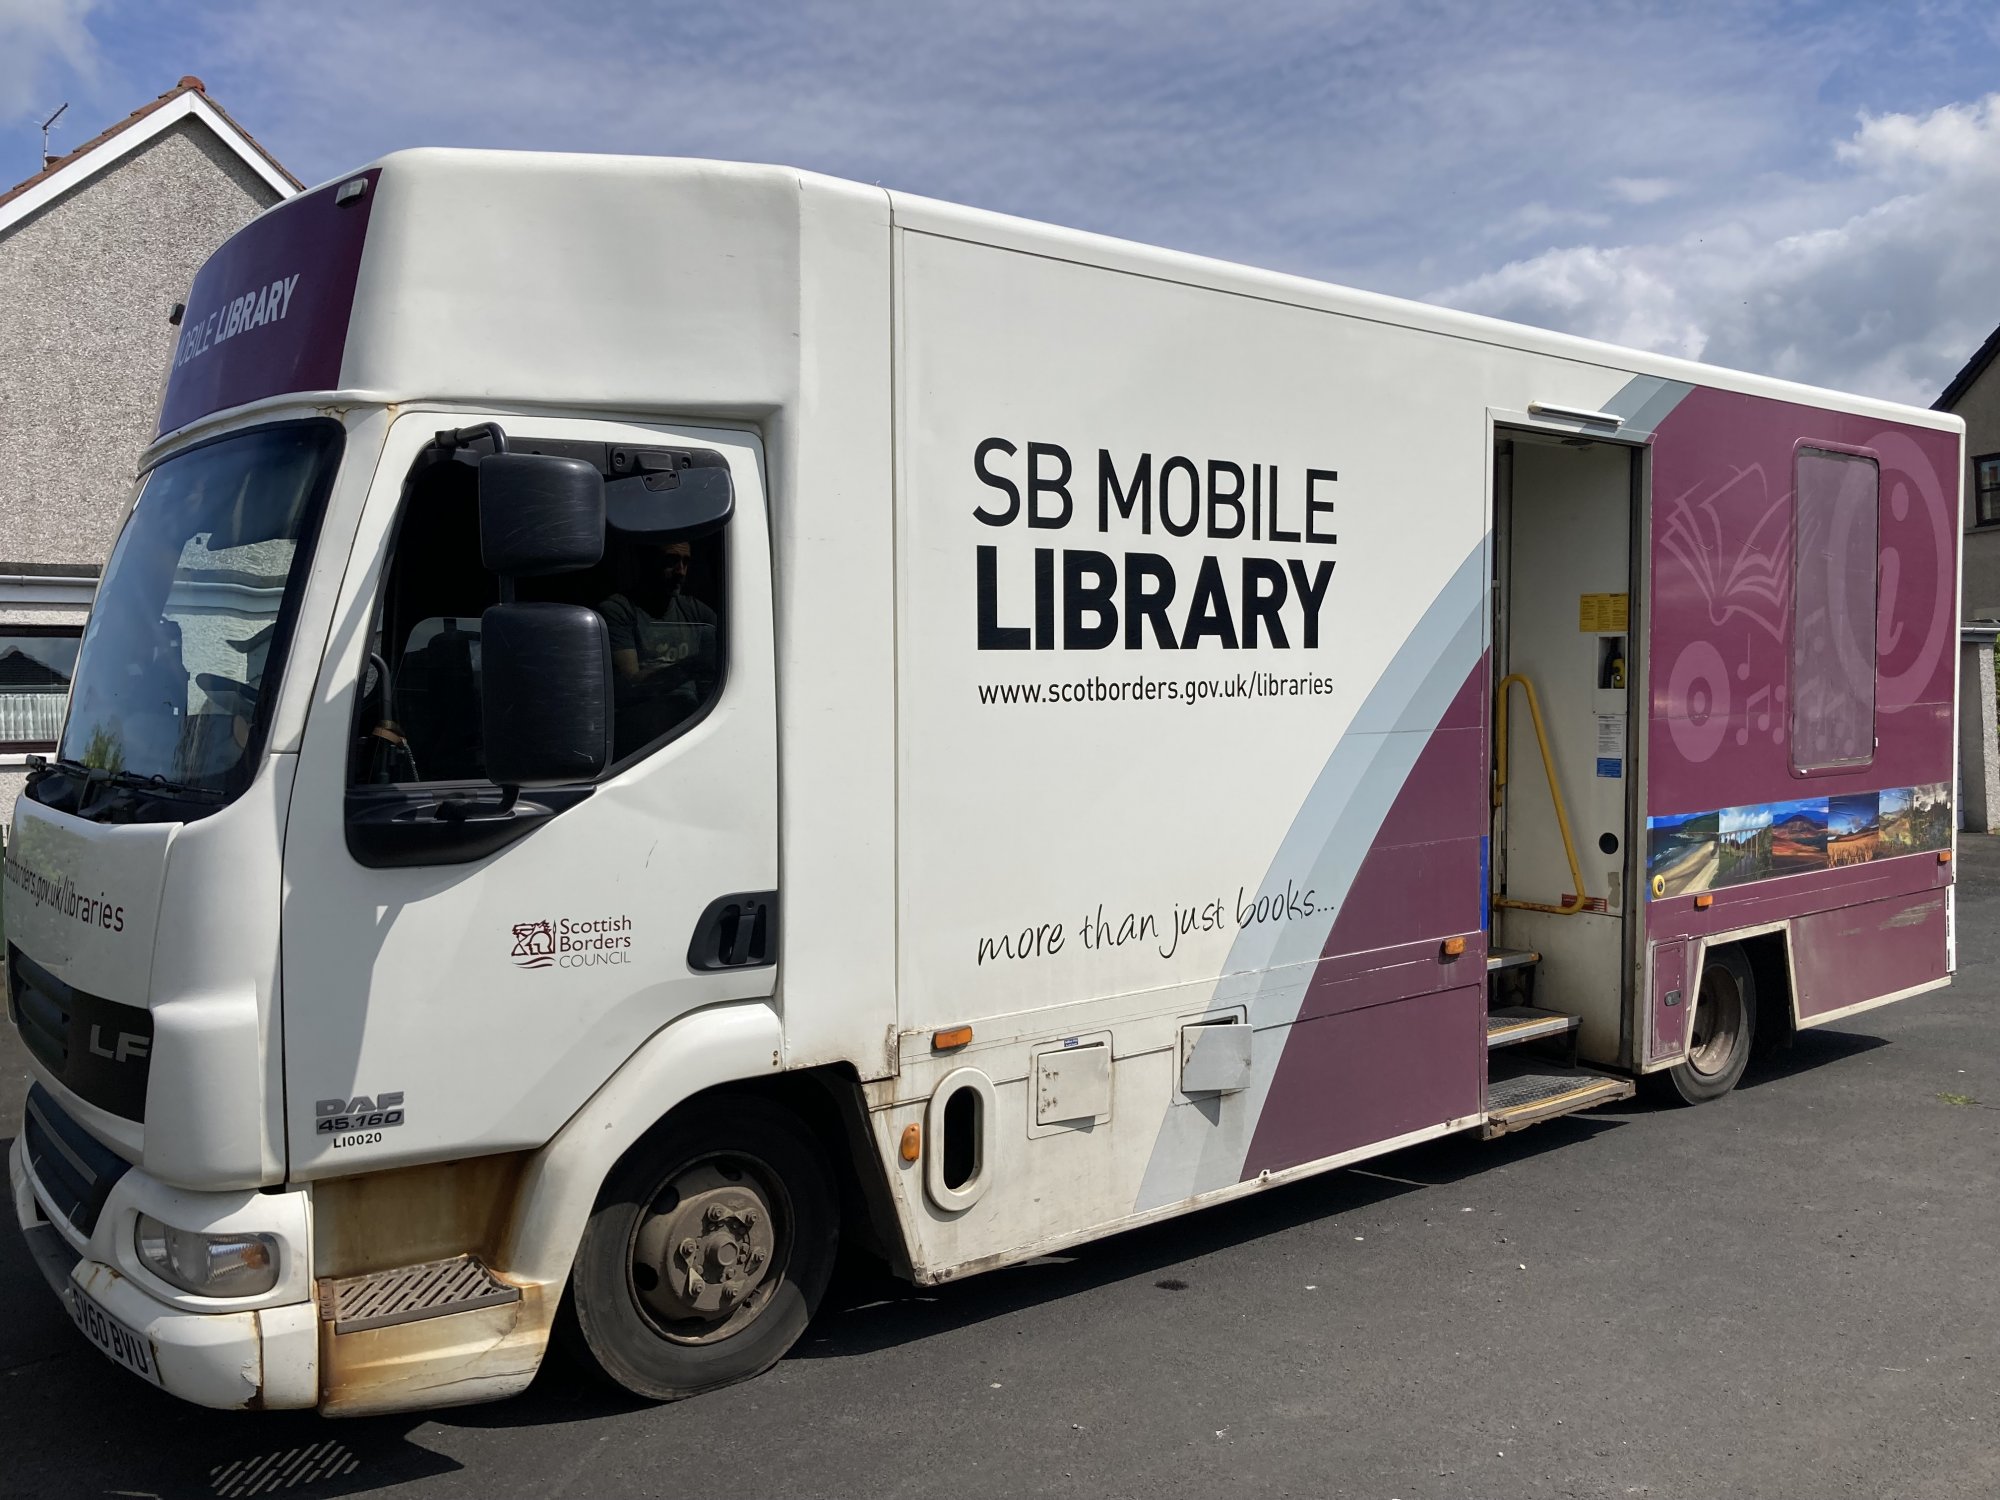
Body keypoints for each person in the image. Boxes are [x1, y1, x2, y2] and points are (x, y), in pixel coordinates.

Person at [597, 541, 719, 758]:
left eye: (686, 562)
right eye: (671, 561)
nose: (681, 571)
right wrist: (689, 667)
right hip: (642, 741)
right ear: (647, 561)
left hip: (695, 727)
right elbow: (631, 683)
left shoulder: (696, 612)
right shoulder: (620, 611)